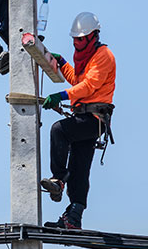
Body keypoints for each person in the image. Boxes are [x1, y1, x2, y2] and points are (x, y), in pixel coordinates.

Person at [39, 12, 116, 230]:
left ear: (93, 36)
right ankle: (73, 217)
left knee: (59, 130)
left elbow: (88, 87)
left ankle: (58, 178)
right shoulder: (86, 57)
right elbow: (77, 80)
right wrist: (62, 62)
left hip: (94, 119)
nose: (76, 43)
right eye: (75, 39)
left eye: (80, 39)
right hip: (83, 116)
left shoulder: (103, 56)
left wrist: (59, 96)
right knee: (80, 168)